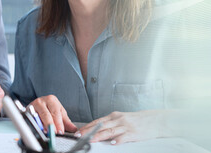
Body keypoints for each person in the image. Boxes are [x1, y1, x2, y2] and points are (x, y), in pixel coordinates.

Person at [11, 0, 177, 144]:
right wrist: (32, 112)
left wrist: (158, 122)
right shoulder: (30, 29)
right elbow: (20, 113)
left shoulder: (170, 20)